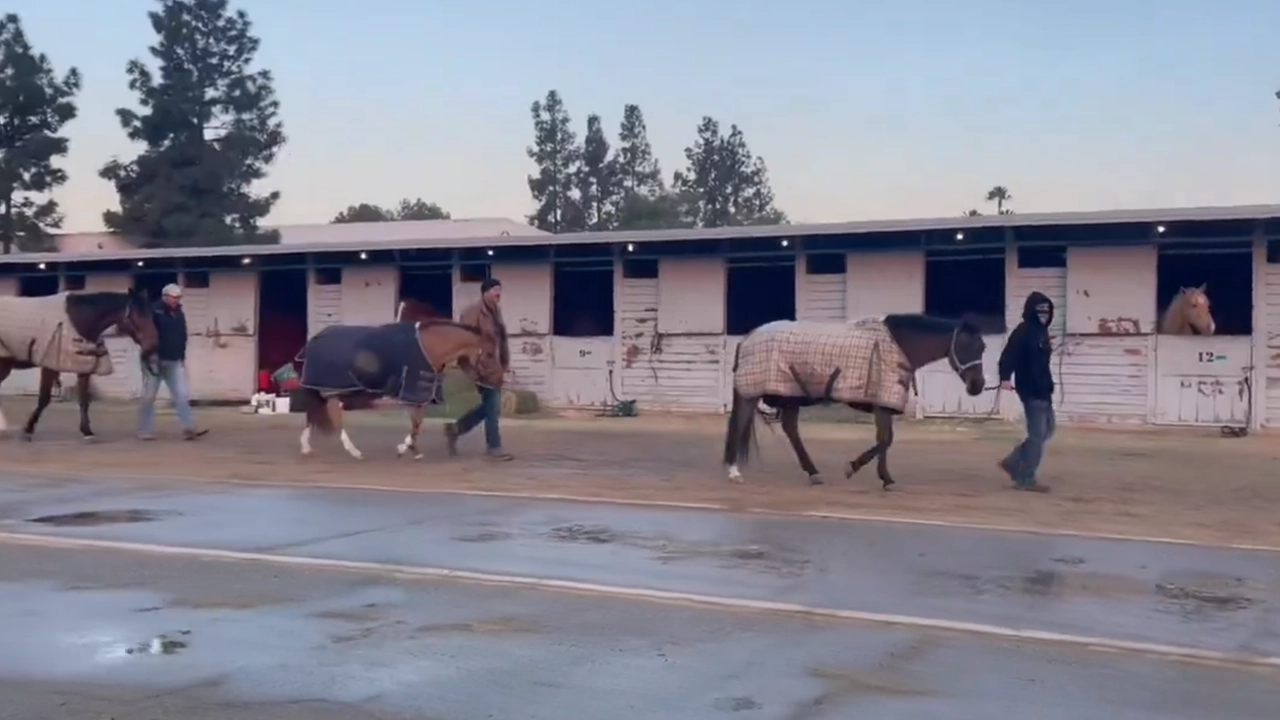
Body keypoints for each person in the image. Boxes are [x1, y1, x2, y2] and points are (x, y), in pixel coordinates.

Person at [445, 277, 514, 461]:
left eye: (499, 290)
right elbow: (462, 342)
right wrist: (470, 369)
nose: (498, 293)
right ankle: (494, 447)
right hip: (481, 368)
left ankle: (455, 429)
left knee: (490, 408)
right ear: (484, 292)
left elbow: (500, 341)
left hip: (494, 367)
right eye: (494, 290)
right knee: (492, 408)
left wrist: (504, 363)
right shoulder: (473, 313)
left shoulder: (495, 313)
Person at [996, 291, 1056, 492]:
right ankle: (1025, 477)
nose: (1044, 313)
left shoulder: (1041, 332)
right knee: (1037, 436)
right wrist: (1005, 378)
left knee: (1047, 431)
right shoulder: (1023, 331)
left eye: (1047, 310)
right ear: (1031, 310)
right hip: (1031, 390)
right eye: (1039, 310)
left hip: (1044, 390)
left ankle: (1013, 462)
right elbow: (1008, 355)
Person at [138, 283, 207, 441]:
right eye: (174, 297)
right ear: (165, 296)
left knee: (182, 395)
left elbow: (182, 335)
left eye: (178, 298)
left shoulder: (179, 313)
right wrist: (152, 354)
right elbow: (146, 335)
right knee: (149, 396)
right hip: (154, 361)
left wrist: (182, 356)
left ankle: (188, 428)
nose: (177, 300)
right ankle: (144, 430)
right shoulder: (153, 311)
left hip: (174, 360)